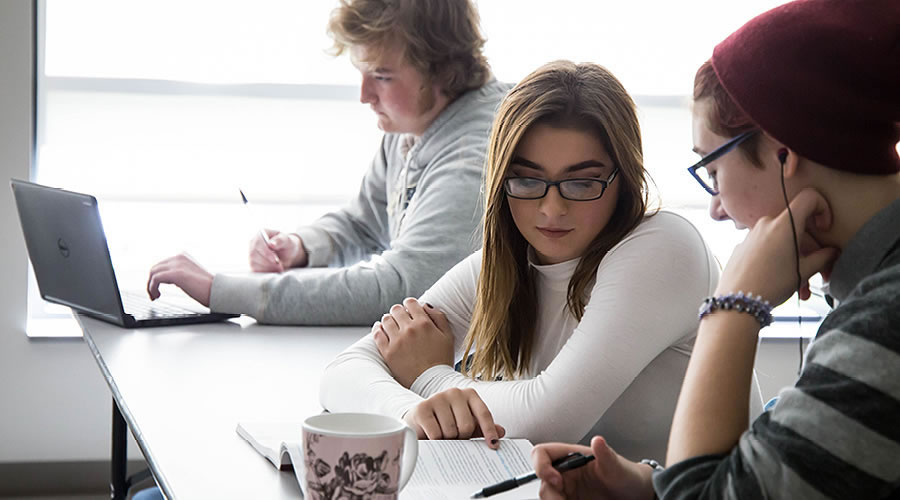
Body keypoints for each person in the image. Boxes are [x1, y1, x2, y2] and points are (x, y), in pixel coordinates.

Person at [531, 1, 900, 498]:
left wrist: (733, 305)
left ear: (781, 153)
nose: (717, 210)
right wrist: (647, 487)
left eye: (713, 171)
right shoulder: (871, 301)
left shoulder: (884, 325)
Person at [319, 60, 721, 461]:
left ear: (623, 180)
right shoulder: (506, 265)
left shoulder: (665, 247)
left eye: (581, 182)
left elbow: (547, 418)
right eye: (527, 180)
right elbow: (346, 368)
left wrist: (427, 378)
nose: (551, 209)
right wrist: (407, 411)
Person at [144, 0, 511, 325]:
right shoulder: (415, 123)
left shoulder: (474, 152)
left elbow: (402, 287)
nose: (364, 95)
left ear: (442, 70)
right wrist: (302, 246)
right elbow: (365, 223)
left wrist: (220, 291)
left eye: (382, 77)